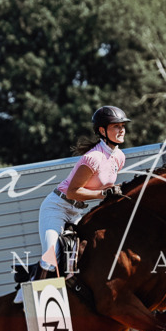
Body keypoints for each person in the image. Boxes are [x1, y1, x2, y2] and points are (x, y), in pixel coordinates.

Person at [37, 106, 129, 277]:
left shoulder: (119, 157)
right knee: (51, 258)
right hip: (57, 207)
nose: (121, 130)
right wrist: (103, 194)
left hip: (78, 211)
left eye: (123, 126)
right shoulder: (92, 158)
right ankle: (28, 296)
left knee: (86, 256)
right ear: (102, 130)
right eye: (116, 126)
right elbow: (73, 192)